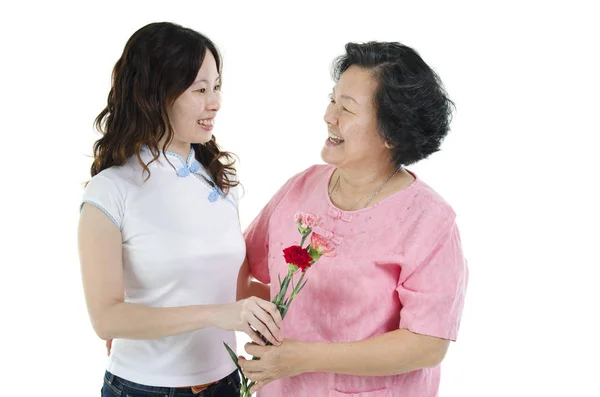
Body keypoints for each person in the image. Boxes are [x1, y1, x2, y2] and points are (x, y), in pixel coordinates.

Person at [237, 41, 468, 396]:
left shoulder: (428, 221)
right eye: (332, 100)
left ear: (391, 131)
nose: (329, 116)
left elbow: (427, 344)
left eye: (347, 108)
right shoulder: (301, 187)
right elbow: (243, 267)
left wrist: (303, 357)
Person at [78, 22, 282, 397]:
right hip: (143, 388)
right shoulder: (110, 191)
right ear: (156, 94)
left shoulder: (221, 183)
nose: (215, 102)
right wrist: (215, 314)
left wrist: (313, 287)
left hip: (226, 382)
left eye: (217, 87)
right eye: (200, 90)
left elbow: (235, 289)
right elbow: (106, 318)